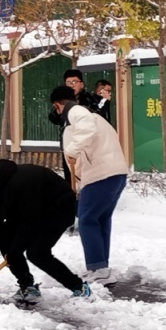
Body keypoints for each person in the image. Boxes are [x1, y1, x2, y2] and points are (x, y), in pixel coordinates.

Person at [0, 158, 92, 304]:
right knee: (5, 241)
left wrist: (14, 252)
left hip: (58, 209)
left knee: (37, 252)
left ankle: (80, 287)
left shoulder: (21, 183)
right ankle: (27, 287)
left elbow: (30, 224)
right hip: (29, 211)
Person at [52, 85, 128, 286]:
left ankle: (98, 268)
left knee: (87, 220)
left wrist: (71, 150)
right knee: (100, 219)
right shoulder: (94, 116)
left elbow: (84, 133)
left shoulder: (76, 112)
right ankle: (101, 268)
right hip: (114, 173)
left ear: (58, 105)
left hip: (100, 175)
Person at [49, 68, 101, 184]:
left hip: (87, 146)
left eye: (75, 82)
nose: (72, 85)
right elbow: (53, 118)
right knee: (70, 177)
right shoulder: (61, 99)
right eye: (68, 82)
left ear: (81, 84)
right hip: (69, 144)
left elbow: (97, 118)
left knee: (87, 177)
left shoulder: (89, 99)